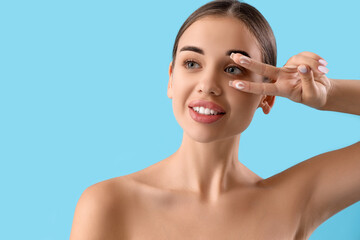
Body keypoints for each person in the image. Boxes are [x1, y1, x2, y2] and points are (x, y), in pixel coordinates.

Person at [70, 0, 360, 239]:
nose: (208, 85)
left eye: (234, 69)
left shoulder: (291, 202)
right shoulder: (109, 204)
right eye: (192, 63)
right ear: (171, 79)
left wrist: (328, 94)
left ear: (267, 96)